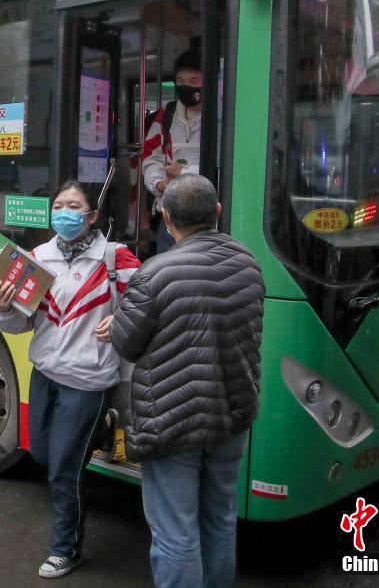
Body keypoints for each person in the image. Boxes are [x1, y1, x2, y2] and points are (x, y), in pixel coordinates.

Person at [108, 174, 264, 588]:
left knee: (176, 532)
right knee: (219, 519)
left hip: (172, 420)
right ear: (216, 212)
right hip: (232, 413)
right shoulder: (248, 262)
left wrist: (119, 319)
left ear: (166, 216)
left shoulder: (155, 273)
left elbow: (126, 342)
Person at [0, 180, 141, 579]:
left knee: (64, 469)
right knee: (40, 453)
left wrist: (123, 321)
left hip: (89, 379)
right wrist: (2, 305)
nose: (64, 212)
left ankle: (65, 549)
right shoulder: (35, 259)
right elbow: (19, 322)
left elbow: (147, 308)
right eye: (58, 205)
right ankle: (97, 433)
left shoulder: (115, 259)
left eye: (74, 206)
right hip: (45, 373)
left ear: (91, 216)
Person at [142, 49, 204, 253]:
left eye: (194, 81)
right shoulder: (166, 115)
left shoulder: (226, 116)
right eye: (181, 81)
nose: (187, 87)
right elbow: (150, 157)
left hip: (207, 218)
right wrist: (159, 184)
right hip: (170, 218)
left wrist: (184, 176)